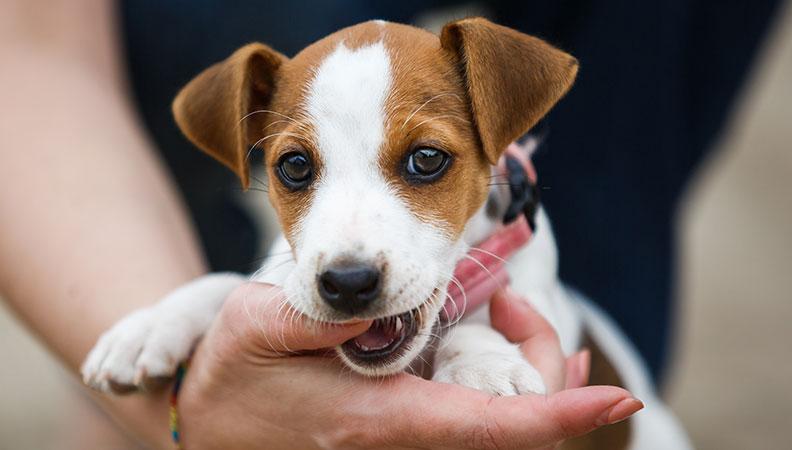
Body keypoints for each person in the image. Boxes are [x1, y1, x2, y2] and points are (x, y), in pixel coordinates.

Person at [0, 1, 642, 448]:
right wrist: (200, 308)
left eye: (425, 161)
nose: (349, 258)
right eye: (300, 169)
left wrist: (467, 345)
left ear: (499, 140)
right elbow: (264, 304)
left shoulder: (528, 265)